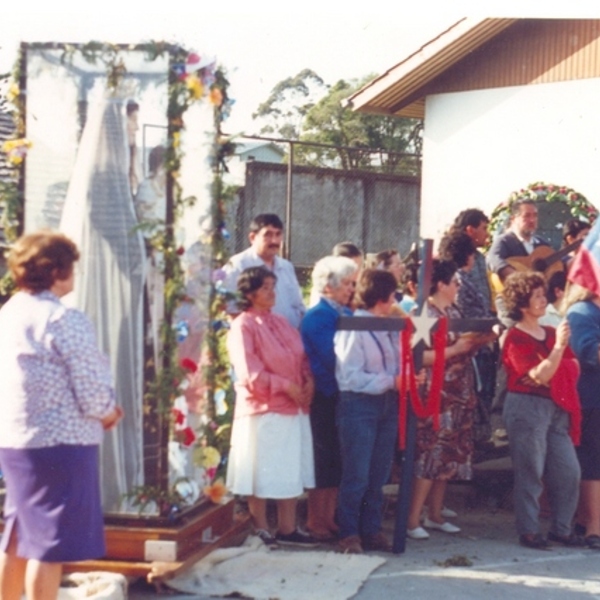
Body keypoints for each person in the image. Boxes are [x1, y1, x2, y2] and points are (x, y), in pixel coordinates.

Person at [0, 231, 123, 600]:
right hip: (60, 444)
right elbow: (90, 385)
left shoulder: (9, 312)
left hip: (16, 441)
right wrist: (107, 411)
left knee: (18, 534)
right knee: (48, 545)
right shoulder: (63, 318)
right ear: (55, 270)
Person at [226, 266, 317, 548]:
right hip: (263, 409)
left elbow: (300, 356)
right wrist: (285, 386)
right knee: (261, 469)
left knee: (288, 469)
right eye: (265, 287)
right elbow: (248, 372)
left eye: (272, 286)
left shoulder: (279, 321)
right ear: (249, 293)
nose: (272, 291)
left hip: (293, 408)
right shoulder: (243, 325)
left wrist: (307, 382)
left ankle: (288, 528)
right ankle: (260, 528)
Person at [501, 272, 582, 549]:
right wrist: (558, 349)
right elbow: (540, 375)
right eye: (536, 295)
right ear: (523, 304)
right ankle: (529, 530)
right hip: (527, 406)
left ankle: (561, 529)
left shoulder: (548, 331)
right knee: (530, 470)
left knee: (569, 470)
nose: (543, 299)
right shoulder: (514, 338)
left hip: (555, 407)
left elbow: (572, 367)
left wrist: (557, 356)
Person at [406, 260, 478, 540]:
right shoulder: (424, 314)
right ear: (441, 284)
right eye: (455, 282)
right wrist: (454, 350)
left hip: (460, 392)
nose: (459, 287)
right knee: (431, 454)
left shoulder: (455, 310)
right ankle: (412, 519)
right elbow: (417, 355)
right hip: (436, 393)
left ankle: (434, 514)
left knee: (449, 454)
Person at [334, 269, 401, 554]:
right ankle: (348, 532)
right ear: (382, 297)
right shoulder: (354, 326)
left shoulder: (386, 325)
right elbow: (349, 377)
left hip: (387, 403)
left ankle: (371, 529)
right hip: (359, 404)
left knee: (378, 474)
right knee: (357, 473)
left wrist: (405, 378)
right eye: (392, 295)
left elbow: (395, 363)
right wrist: (390, 381)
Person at [300, 256, 358, 540]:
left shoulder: (342, 313)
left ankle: (330, 517)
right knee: (323, 460)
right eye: (346, 283)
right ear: (328, 287)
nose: (351, 288)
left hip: (339, 394)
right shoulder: (319, 316)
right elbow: (331, 356)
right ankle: (315, 520)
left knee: (337, 458)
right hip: (324, 395)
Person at [223, 214, 305, 328]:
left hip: (289, 338)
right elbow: (231, 309)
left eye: (278, 234)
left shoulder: (286, 267)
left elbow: (298, 306)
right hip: (258, 341)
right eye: (268, 235)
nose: (274, 240)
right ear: (252, 237)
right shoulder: (238, 265)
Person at [565, 283, 600, 549]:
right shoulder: (581, 312)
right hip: (590, 400)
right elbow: (588, 351)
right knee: (591, 462)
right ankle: (592, 526)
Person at [486, 199, 551, 288]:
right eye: (526, 216)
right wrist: (518, 277)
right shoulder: (504, 241)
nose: (532, 220)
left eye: (535, 215)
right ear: (513, 219)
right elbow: (492, 259)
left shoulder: (542, 244)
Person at [451, 208, 493, 313]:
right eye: (484, 228)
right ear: (470, 230)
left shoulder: (480, 257)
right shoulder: (455, 257)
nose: (487, 234)